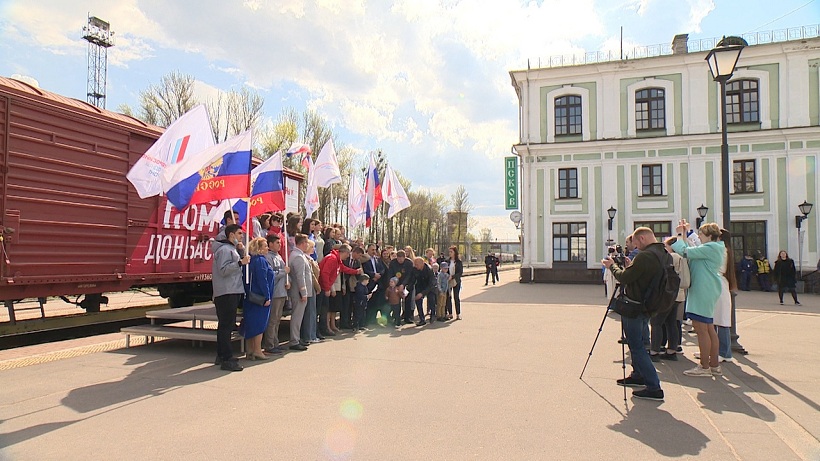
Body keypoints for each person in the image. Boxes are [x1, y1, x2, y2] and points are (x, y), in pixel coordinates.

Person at [602, 227, 665, 401]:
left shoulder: (645, 256)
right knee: (641, 342)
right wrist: (632, 267)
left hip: (635, 305)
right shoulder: (661, 253)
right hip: (648, 304)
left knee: (636, 346)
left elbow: (624, 278)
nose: (635, 247)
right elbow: (641, 275)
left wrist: (611, 266)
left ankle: (654, 386)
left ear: (643, 238)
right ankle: (638, 375)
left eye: (636, 243)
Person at [670, 221, 724, 377]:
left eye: (701, 234)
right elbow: (693, 248)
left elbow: (685, 251)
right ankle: (714, 365)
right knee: (708, 328)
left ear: (708, 235)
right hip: (707, 289)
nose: (699, 236)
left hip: (702, 289)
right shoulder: (714, 247)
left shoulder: (710, 248)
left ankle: (704, 366)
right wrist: (686, 233)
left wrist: (679, 236)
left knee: (701, 329)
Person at [211, 224, 250, 371]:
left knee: (225, 325)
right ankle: (227, 357)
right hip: (227, 291)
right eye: (239, 233)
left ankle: (222, 355)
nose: (242, 236)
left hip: (231, 290)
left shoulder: (231, 249)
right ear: (231, 235)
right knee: (226, 325)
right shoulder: (225, 250)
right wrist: (240, 262)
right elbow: (223, 270)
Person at [241, 237, 274, 360]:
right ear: (259, 248)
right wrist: (267, 296)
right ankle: (257, 350)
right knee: (259, 324)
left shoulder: (250, 260)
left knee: (250, 323)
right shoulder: (260, 261)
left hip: (250, 296)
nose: (267, 248)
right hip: (259, 297)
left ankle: (249, 350)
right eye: (265, 246)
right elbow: (262, 280)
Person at [261, 234, 289, 354]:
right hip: (275, 292)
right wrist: (284, 272)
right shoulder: (268, 257)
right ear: (270, 244)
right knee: (272, 320)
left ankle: (275, 342)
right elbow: (271, 274)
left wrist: (288, 281)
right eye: (277, 243)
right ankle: (269, 344)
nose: (280, 244)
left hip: (282, 291)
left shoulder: (279, 256)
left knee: (277, 319)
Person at [714, 229, 739, 363]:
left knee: (721, 320)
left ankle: (724, 352)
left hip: (719, 286)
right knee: (718, 319)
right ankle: (717, 350)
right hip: (721, 284)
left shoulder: (722, 250)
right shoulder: (725, 249)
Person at [287, 233, 312, 351]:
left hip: (298, 291)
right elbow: (300, 276)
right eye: (306, 242)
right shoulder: (298, 256)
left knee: (299, 316)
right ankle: (294, 340)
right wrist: (303, 292)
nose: (308, 245)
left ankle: (297, 338)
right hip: (298, 291)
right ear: (302, 243)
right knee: (297, 316)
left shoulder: (299, 255)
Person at [387, 250, 415, 324]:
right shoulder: (393, 263)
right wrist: (393, 284)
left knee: (407, 301)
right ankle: (396, 317)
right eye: (398, 259)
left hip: (407, 284)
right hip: (395, 283)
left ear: (404, 257)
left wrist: (403, 284)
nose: (399, 261)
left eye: (401, 259)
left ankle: (407, 317)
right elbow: (390, 273)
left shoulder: (409, 263)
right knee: (396, 301)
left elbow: (409, 275)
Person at [412, 257, 435, 325]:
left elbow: (431, 284)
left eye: (417, 264)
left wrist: (422, 293)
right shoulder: (415, 269)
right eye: (415, 264)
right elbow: (412, 280)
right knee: (418, 300)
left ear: (422, 263)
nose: (415, 266)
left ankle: (432, 315)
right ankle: (422, 319)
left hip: (429, 286)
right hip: (420, 285)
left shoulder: (429, 269)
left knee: (431, 298)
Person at [446, 246, 464, 320]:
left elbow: (460, 272)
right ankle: (450, 313)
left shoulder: (459, 262)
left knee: (456, 297)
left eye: (451, 252)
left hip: (456, 281)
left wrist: (452, 277)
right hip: (448, 281)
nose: (450, 253)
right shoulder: (447, 261)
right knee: (448, 297)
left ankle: (458, 314)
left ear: (455, 253)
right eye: (449, 252)